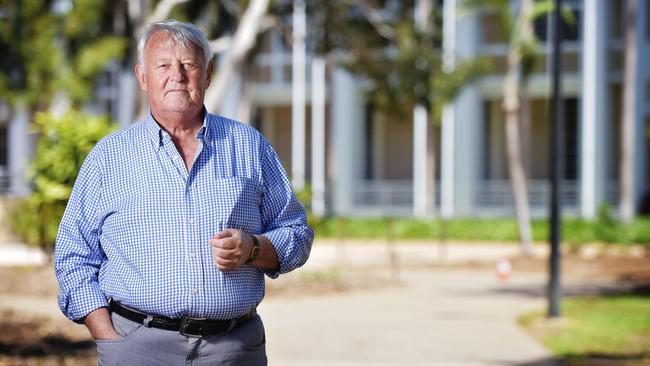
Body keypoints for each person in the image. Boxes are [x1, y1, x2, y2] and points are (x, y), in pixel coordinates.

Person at [54, 19, 313, 365]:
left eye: (188, 64)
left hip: (232, 350)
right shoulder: (108, 158)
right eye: (162, 65)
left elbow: (297, 234)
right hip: (137, 349)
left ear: (207, 73)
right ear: (142, 77)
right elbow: (73, 255)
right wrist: (108, 337)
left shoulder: (250, 147)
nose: (176, 75)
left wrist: (253, 249)